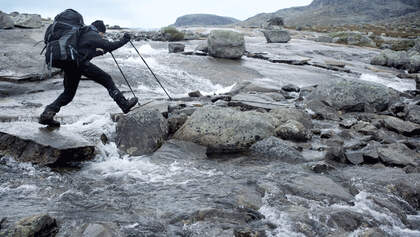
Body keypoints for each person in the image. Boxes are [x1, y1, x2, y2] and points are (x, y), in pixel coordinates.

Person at [39, 20, 138, 127]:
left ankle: (47, 113)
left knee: (68, 94)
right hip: (79, 64)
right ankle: (124, 104)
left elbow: (86, 50)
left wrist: (102, 51)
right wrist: (125, 40)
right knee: (107, 79)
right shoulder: (92, 33)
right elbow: (109, 45)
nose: (102, 36)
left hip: (71, 64)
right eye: (102, 35)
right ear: (100, 31)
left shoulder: (82, 33)